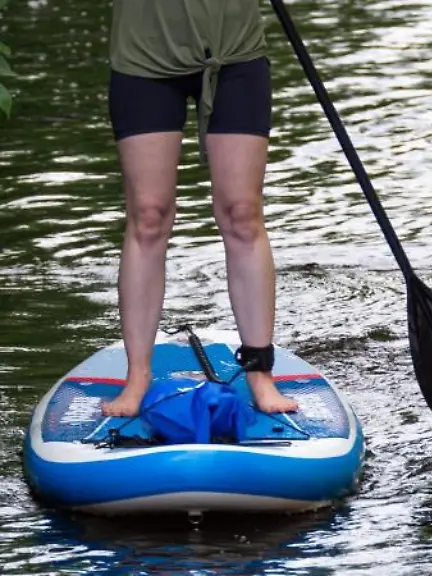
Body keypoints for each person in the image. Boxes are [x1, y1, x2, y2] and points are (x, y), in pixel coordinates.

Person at [102, 0, 298, 416]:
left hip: (235, 51)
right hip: (144, 53)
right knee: (149, 216)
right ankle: (137, 375)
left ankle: (260, 372)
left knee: (242, 213)